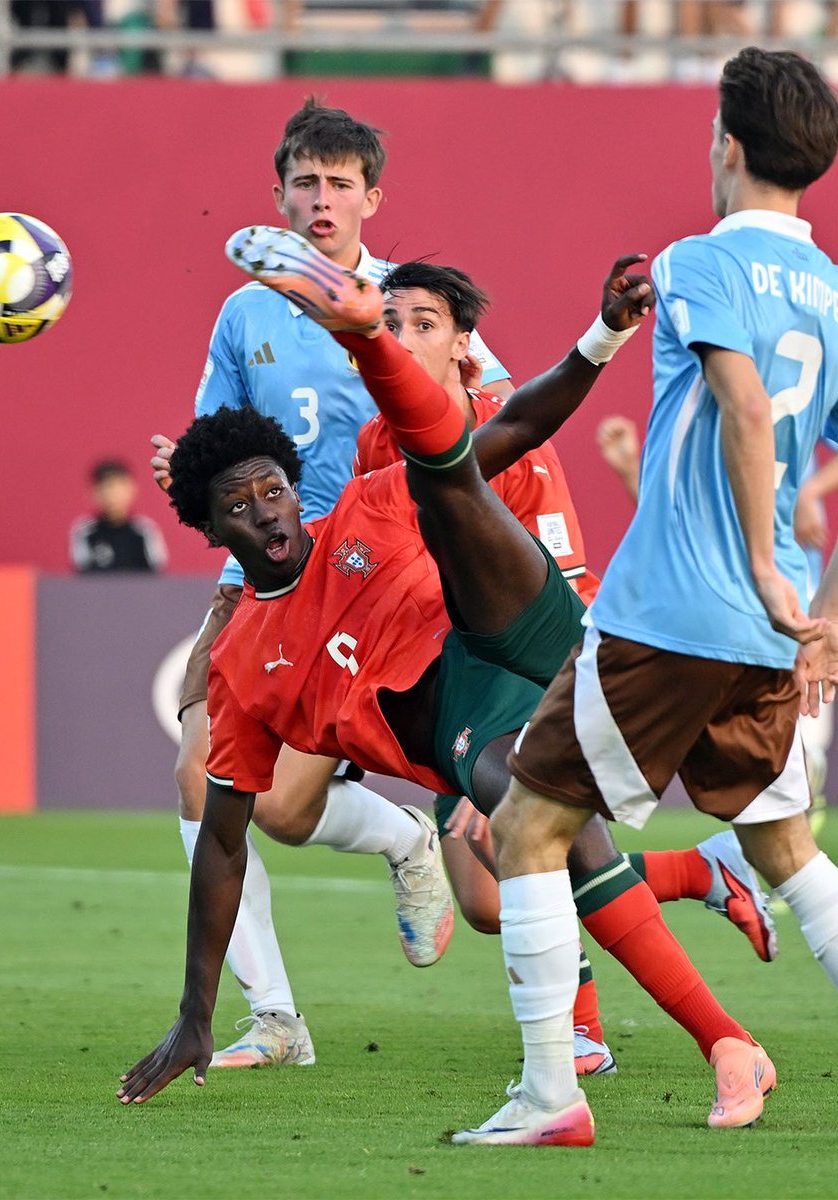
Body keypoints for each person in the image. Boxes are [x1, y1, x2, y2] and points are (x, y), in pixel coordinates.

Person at [118, 226, 780, 1125]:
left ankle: (559, 1087)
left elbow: (515, 429)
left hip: (519, 629)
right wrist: (194, 1013)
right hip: (461, 722)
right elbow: (225, 844)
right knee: (536, 852)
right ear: (211, 532)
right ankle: (726, 1044)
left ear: (294, 486)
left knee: (445, 480)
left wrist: (603, 337)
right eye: (237, 507)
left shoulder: (365, 506)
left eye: (272, 490)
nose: (265, 513)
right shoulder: (243, 667)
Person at [461, 46, 838, 1149]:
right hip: (769, 633)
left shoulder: (698, 263)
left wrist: (760, 562)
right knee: (788, 852)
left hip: (672, 615)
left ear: (727, 145)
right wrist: (814, 605)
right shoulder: (832, 292)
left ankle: (550, 1097)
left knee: (527, 827)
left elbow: (746, 407)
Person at [151, 97, 514, 1071]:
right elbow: (217, 439)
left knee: (283, 811)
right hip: (260, 580)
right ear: (278, 196)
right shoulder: (245, 313)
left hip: (377, 576)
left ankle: (406, 840)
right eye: (304, 182)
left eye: (339, 184)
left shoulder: (405, 304)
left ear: (371, 199)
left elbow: (495, 403)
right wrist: (186, 464)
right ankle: (274, 1017)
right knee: (200, 777)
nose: (320, 199)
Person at [598, 412, 837, 836]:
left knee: (801, 745)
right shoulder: (703, 427)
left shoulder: (792, 400)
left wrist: (809, 491)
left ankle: (795, 810)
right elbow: (673, 528)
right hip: (732, 616)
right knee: (764, 765)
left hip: (795, 608)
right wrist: (632, 471)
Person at [69, 459, 167, 574]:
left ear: (131, 489)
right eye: (107, 487)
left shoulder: (145, 530)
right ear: (94, 492)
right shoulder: (84, 532)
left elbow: (158, 572)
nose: (113, 493)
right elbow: (81, 573)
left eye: (119, 486)